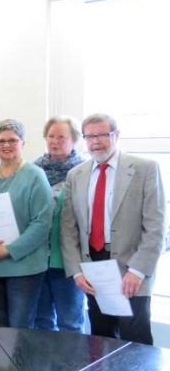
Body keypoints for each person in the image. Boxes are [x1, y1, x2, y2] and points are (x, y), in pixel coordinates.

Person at [61, 113, 166, 345]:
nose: (95, 142)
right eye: (89, 136)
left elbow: (156, 228)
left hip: (132, 264)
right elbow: (68, 229)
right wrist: (77, 271)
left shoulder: (145, 169)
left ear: (116, 135)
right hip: (93, 266)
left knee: (134, 337)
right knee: (100, 334)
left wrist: (138, 271)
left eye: (101, 135)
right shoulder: (75, 175)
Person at [0, 119, 53, 329]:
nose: (6, 145)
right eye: (1, 141)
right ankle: (6, 363)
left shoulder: (35, 175)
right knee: (1, 325)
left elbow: (42, 222)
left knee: (20, 327)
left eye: (12, 140)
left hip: (24, 266)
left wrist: (10, 249)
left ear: (23, 143)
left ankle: (21, 363)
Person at [33, 116, 86, 333]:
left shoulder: (83, 172)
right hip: (37, 261)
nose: (54, 141)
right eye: (50, 136)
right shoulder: (33, 171)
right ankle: (45, 368)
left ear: (74, 140)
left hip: (68, 263)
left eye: (61, 137)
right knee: (42, 321)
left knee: (70, 323)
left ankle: (72, 367)